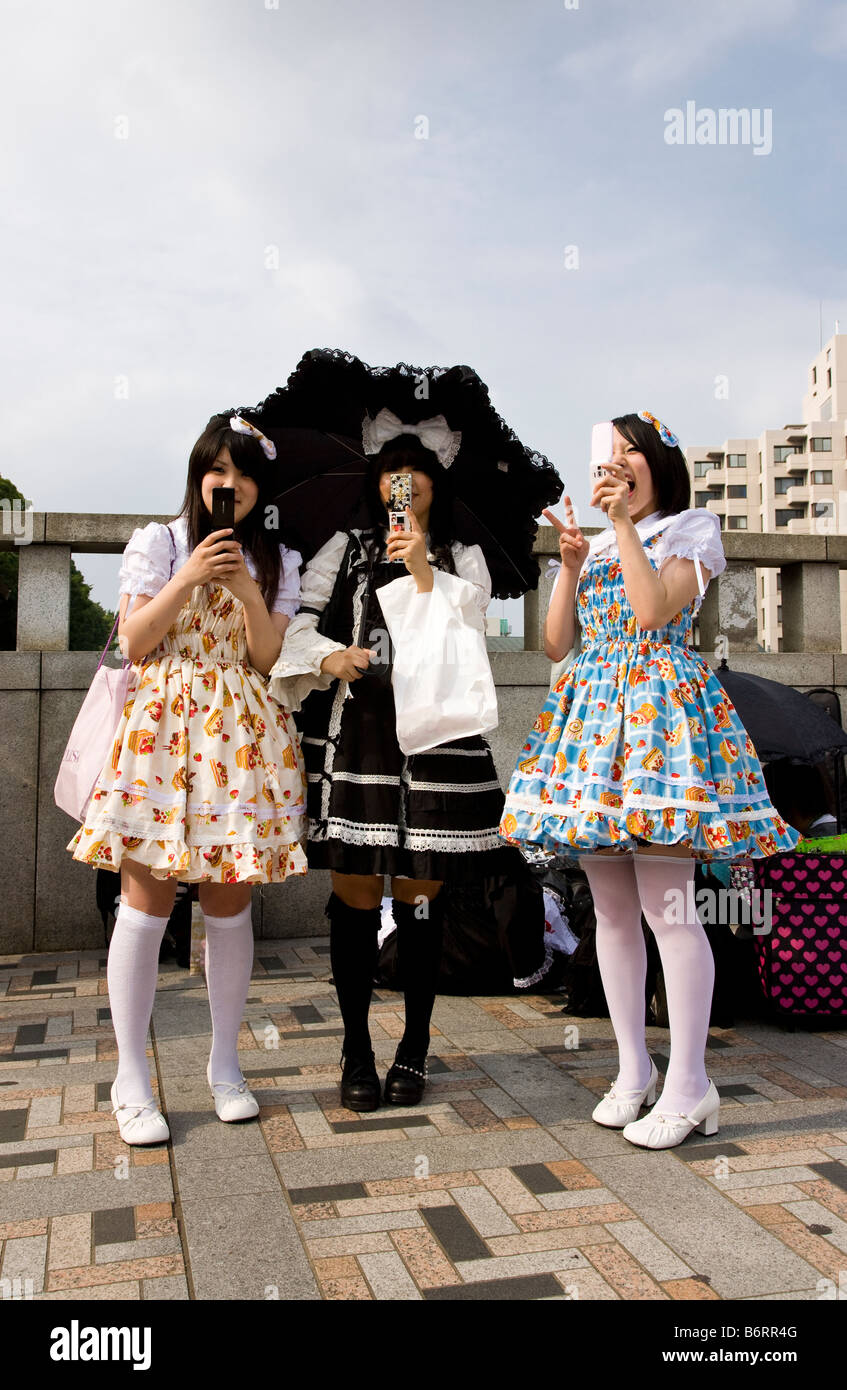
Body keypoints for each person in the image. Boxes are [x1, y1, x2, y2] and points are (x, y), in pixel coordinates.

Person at [500, 411, 798, 1149]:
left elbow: (652, 610)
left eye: (632, 454)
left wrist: (622, 530)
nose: (618, 464)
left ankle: (691, 1082)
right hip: (595, 725)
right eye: (611, 454)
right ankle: (633, 1071)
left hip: (661, 726)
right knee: (608, 910)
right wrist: (569, 566)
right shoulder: (601, 540)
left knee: (670, 908)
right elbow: (555, 644)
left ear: (658, 465)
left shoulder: (690, 528)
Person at [67, 413, 307, 1144]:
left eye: (242, 473)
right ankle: (131, 1078)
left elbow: (267, 659)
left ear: (259, 488)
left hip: (240, 738)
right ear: (200, 474)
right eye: (217, 470)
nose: (227, 484)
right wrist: (190, 577)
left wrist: (242, 592)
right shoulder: (160, 541)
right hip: (161, 732)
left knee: (228, 905)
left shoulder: (277, 560)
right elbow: (134, 641)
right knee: (146, 900)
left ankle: (225, 1065)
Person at [269, 421, 516, 1112]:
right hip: (362, 736)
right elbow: (297, 617)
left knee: (418, 900)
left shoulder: (461, 556)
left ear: (438, 482)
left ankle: (413, 1046)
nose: (399, 483)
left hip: (436, 740)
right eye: (388, 470)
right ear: (374, 483)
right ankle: (354, 1049)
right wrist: (327, 656)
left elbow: (472, 636)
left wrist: (420, 569)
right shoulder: (344, 549)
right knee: (352, 895)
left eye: (413, 471)